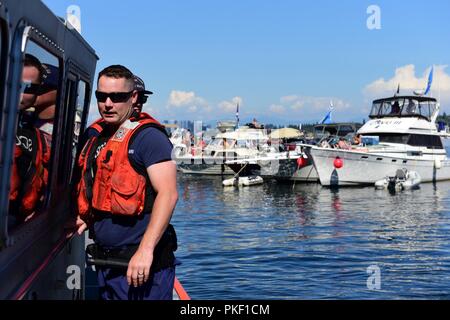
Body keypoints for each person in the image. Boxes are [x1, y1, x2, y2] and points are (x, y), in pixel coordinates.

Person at [75, 65, 178, 300]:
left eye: (117, 97)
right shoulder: (98, 138)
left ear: (133, 97)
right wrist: (85, 215)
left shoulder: (149, 138)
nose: (108, 103)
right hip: (107, 263)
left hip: (140, 267)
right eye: (102, 97)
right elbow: (99, 188)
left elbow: (168, 194)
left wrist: (145, 251)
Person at [9, 54, 47, 226]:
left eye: (30, 88)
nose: (22, 93)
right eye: (17, 84)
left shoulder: (36, 137)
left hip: (16, 224)